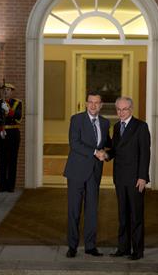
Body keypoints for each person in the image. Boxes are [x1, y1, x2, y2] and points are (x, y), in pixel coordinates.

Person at [64, 92, 111, 258]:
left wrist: (107, 155)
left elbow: (108, 145)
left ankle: (91, 246)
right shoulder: (76, 120)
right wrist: (95, 152)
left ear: (101, 105)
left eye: (96, 103)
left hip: (94, 173)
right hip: (76, 172)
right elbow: (74, 143)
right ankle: (72, 246)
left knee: (92, 210)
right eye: (90, 102)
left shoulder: (105, 123)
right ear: (85, 103)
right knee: (74, 211)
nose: (93, 105)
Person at [106, 96, 150, 261]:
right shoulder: (117, 127)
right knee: (123, 214)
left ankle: (137, 251)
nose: (121, 112)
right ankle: (123, 248)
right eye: (118, 109)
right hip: (120, 177)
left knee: (136, 215)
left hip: (135, 178)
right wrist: (105, 155)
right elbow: (115, 150)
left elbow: (145, 153)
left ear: (131, 109)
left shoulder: (141, 126)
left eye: (124, 109)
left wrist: (143, 177)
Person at [0, 83, 22, 192]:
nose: (6, 91)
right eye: (4, 89)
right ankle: (2, 186)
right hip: (2, 134)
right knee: (2, 160)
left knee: (12, 160)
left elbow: (19, 117)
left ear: (12, 91)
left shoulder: (18, 103)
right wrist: (0, 130)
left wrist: (9, 111)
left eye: (8, 89)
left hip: (13, 133)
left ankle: (11, 186)